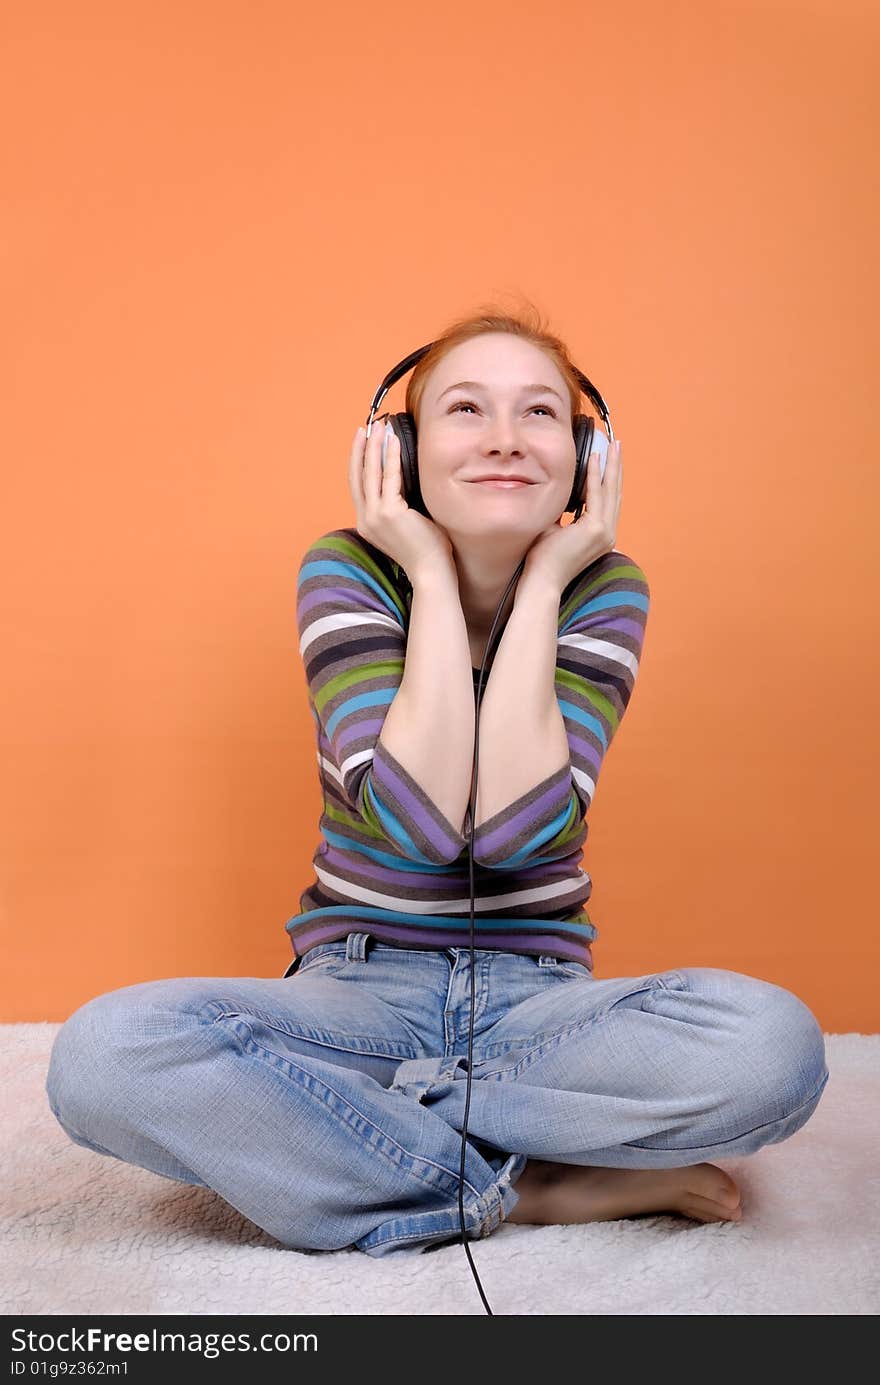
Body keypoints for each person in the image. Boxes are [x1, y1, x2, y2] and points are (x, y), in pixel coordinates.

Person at [45, 306, 829, 1256]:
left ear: (585, 457)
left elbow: (508, 836)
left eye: (540, 414)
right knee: (106, 1055)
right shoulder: (348, 569)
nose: (505, 439)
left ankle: (371, 1129)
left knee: (772, 1048)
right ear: (404, 452)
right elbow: (419, 828)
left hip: (538, 1008)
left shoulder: (603, 585)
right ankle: (518, 1182)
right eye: (466, 409)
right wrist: (424, 567)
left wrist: (543, 583)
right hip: (357, 992)